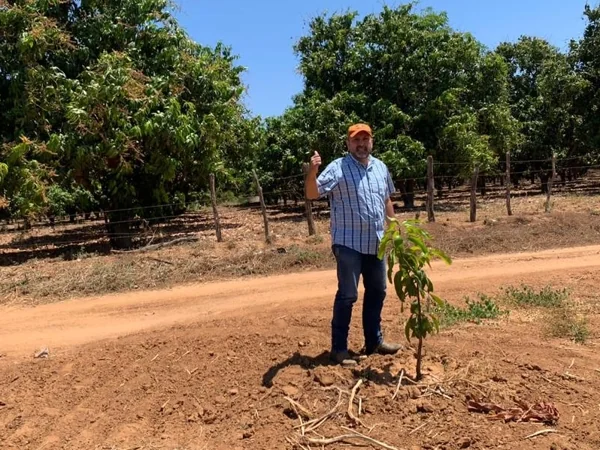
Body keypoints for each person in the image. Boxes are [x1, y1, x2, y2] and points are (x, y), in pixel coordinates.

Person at [304, 123, 402, 367]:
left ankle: (374, 342)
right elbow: (312, 194)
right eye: (356, 140)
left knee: (378, 291)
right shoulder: (338, 167)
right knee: (348, 295)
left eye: (365, 140)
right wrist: (312, 172)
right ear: (348, 144)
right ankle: (338, 349)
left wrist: (395, 229)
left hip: (376, 242)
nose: (361, 144)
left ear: (372, 142)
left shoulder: (380, 167)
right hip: (348, 244)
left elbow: (386, 199)